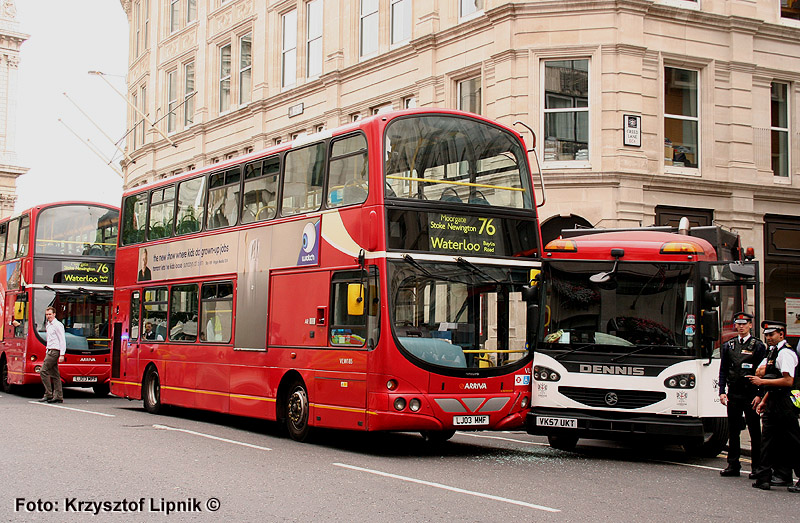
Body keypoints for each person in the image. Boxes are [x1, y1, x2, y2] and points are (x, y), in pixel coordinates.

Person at [748, 320, 800, 491]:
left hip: (785, 402)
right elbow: (762, 374)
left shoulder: (786, 353)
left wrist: (762, 381)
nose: (768, 338)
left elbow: (787, 381)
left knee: (793, 441)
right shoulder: (773, 352)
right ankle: (765, 478)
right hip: (773, 400)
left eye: (772, 334)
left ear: (781, 334)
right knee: (769, 441)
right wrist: (764, 400)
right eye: (767, 335)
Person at [718, 312, 766, 478]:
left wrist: (760, 394)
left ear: (750, 325)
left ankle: (757, 467)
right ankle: (733, 465)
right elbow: (723, 370)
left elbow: (763, 373)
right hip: (734, 393)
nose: (741, 326)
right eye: (738, 324)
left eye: (744, 324)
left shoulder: (758, 346)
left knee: (754, 431)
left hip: (751, 393)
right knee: (733, 430)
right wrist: (722, 391)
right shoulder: (728, 345)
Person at [38, 306, 66, 404]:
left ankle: (48, 394)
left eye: (50, 314)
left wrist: (62, 354)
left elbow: (62, 339)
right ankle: (58, 396)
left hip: (55, 351)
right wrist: (47, 350)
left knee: (43, 371)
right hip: (50, 350)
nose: (48, 316)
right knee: (55, 374)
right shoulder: (48, 325)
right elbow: (50, 339)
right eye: (47, 314)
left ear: (54, 314)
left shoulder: (58, 325)